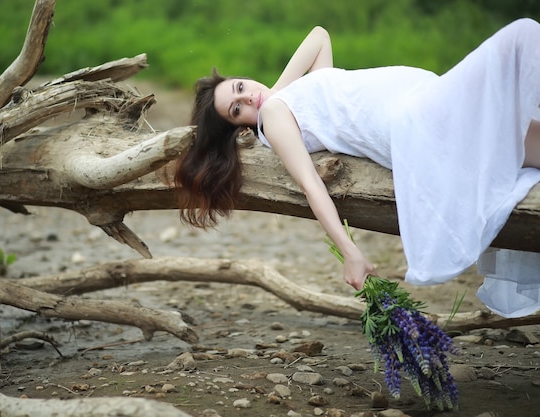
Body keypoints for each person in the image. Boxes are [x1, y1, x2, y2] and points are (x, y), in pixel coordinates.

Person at [174, 19, 540, 317]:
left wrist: (273, 91)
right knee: (521, 38)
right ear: (240, 127)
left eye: (240, 86)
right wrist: (350, 252)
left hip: (429, 103)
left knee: (523, 116)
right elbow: (311, 185)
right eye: (238, 108)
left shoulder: (285, 99)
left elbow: (319, 36)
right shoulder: (273, 116)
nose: (248, 97)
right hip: (419, 122)